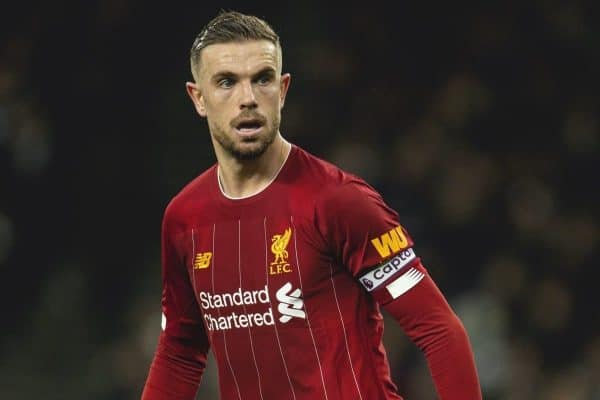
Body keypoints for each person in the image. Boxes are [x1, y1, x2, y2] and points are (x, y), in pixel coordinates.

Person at [142, 10, 482, 400]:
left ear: (282, 90)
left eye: (262, 79)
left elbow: (439, 330)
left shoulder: (339, 202)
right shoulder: (184, 219)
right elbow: (180, 352)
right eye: (226, 83)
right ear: (198, 98)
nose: (248, 98)